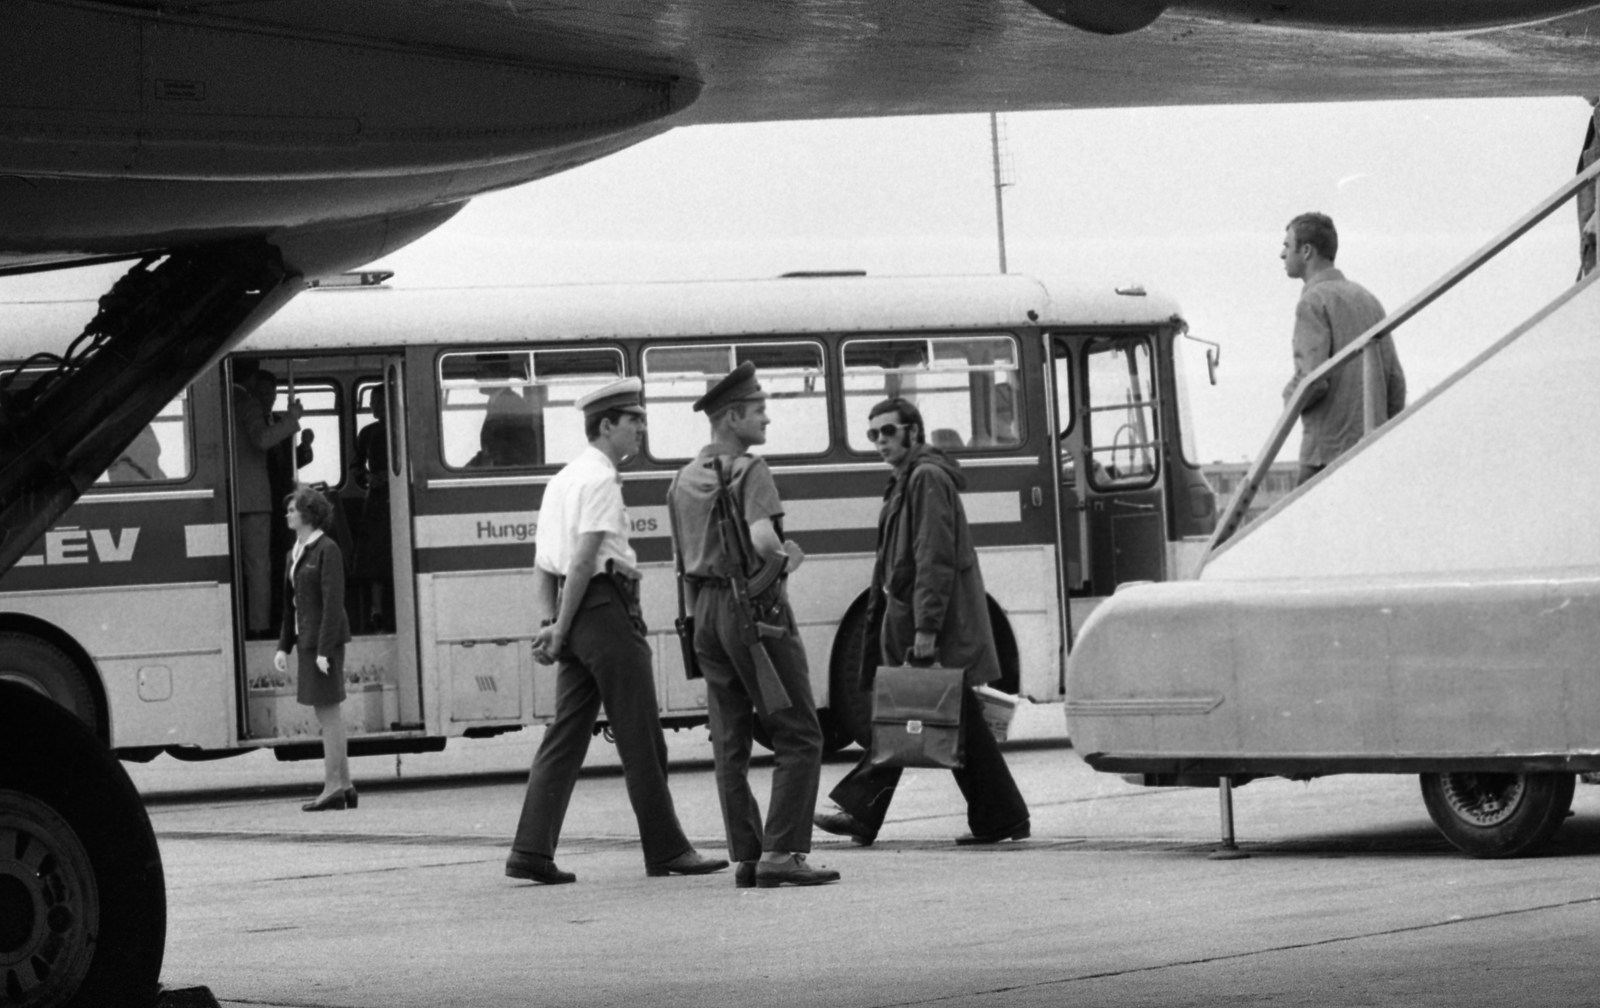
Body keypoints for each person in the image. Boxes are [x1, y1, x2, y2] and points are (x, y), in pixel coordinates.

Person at [505, 377, 726, 885]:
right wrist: (561, 627)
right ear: (606, 426)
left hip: (575, 610)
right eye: (634, 421)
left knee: (566, 733)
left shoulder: (561, 480)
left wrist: (552, 623)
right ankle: (667, 849)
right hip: (605, 608)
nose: (641, 430)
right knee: (641, 734)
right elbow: (584, 557)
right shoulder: (601, 480)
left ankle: (531, 849)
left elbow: (543, 565)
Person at [814, 397, 1030, 847]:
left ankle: (862, 810)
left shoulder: (926, 477)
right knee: (943, 718)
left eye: (887, 432)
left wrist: (927, 629)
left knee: (912, 713)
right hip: (912, 622)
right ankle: (1002, 817)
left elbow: (934, 558)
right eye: (872, 434)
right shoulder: (908, 478)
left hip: (932, 627)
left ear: (914, 432)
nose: (878, 442)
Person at [668, 362, 839, 889]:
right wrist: (789, 559)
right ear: (733, 416)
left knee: (730, 740)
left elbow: (683, 563)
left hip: (706, 619)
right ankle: (783, 853)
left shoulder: (683, 478)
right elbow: (764, 541)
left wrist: (702, 633)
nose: (767, 418)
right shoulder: (749, 469)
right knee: (801, 734)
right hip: (755, 615)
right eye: (759, 409)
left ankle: (747, 855)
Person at [1280, 212, 1406, 486]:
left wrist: (1288, 399)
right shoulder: (1368, 299)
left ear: (1306, 251)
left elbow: (1312, 380)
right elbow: (1395, 383)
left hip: (1324, 456)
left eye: (1287, 246)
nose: (1282, 254)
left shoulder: (1312, 302)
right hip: (1371, 451)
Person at [273, 488, 356, 812]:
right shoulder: (295, 552)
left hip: (324, 642)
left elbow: (333, 604)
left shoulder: (327, 549)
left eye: (292, 510)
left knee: (328, 714)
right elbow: (289, 605)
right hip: (307, 640)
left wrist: (324, 651)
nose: (288, 514)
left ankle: (333, 786)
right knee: (327, 713)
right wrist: (284, 647)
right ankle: (345, 785)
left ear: (308, 514)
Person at [234, 366, 302, 636]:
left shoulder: (218, 401)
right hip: (254, 499)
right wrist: (292, 418)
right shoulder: (246, 403)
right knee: (258, 566)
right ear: (250, 378)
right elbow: (262, 440)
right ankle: (259, 627)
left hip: (228, 498)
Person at [351, 385, 393, 632]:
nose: (372, 407)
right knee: (374, 556)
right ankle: (376, 609)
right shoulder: (367, 433)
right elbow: (355, 466)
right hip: (375, 499)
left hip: (399, 498)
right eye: (371, 402)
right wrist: (368, 478)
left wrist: (391, 478)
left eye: (376, 401)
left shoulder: (404, 428)